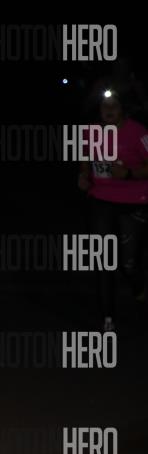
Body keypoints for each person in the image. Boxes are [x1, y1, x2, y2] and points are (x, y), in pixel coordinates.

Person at [78, 89, 148, 332]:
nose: (108, 111)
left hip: (134, 201)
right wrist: (84, 175)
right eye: (104, 107)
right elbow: (85, 157)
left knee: (129, 264)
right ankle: (108, 317)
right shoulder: (90, 132)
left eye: (114, 107)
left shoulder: (138, 132)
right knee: (103, 260)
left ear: (123, 110)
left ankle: (139, 288)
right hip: (101, 199)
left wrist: (128, 173)